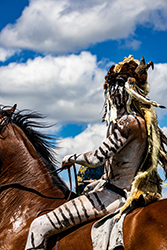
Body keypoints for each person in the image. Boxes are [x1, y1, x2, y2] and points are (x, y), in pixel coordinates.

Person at [25, 55, 167, 250]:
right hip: (124, 193)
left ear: (129, 89)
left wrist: (71, 158)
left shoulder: (127, 122)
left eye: (117, 88)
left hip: (112, 195)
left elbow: (97, 158)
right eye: (111, 89)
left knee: (38, 226)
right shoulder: (143, 122)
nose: (113, 95)